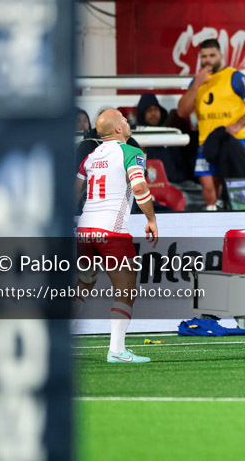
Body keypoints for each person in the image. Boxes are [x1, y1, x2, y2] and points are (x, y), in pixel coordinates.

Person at [74, 109, 159, 364]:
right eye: (123, 118)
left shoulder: (89, 157)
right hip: (112, 232)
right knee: (125, 290)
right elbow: (140, 187)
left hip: (85, 231)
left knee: (82, 286)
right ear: (119, 129)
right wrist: (151, 219)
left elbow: (74, 191)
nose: (127, 121)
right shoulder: (131, 153)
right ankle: (117, 350)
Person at [176, 38, 245, 210]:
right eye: (204, 56)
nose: (207, 60)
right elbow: (181, 112)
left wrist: (238, 125)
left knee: (235, 189)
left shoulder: (235, 77)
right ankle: (213, 227)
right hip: (206, 143)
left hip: (233, 141)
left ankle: (238, 227)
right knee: (209, 189)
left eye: (212, 55)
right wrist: (196, 85)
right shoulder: (197, 82)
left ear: (221, 56)